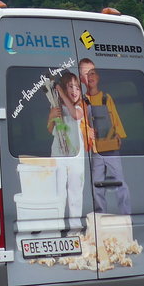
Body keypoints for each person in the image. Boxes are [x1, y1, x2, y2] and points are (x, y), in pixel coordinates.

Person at [79, 58, 131, 215]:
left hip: (111, 147)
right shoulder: (83, 101)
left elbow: (114, 117)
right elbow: (81, 122)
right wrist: (87, 133)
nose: (91, 77)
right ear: (83, 79)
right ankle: (100, 214)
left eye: (93, 73)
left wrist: (119, 136)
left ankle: (126, 214)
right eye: (87, 74)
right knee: (97, 184)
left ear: (98, 77)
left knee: (120, 181)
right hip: (96, 150)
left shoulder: (106, 98)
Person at [46, 71, 88, 229]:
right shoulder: (56, 106)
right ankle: (57, 226)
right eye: (70, 87)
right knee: (59, 193)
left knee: (75, 193)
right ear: (63, 87)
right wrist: (51, 115)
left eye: (77, 87)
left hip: (76, 157)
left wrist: (63, 95)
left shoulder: (80, 106)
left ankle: (75, 229)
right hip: (58, 156)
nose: (75, 91)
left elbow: (75, 116)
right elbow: (51, 130)